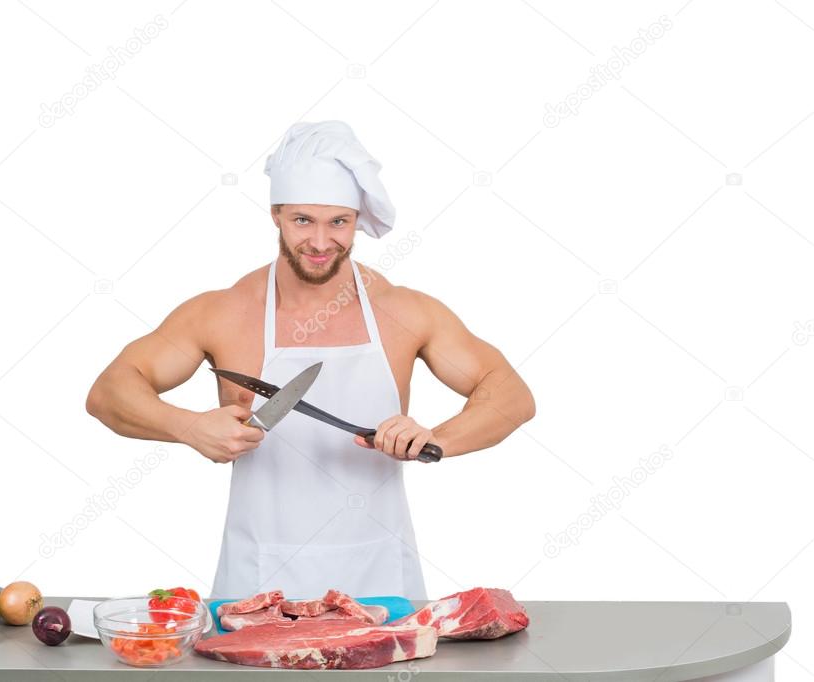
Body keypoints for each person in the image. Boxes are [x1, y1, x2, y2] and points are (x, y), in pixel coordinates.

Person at [86, 120, 536, 600]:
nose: (321, 243)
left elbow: (511, 395)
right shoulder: (219, 313)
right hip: (257, 583)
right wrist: (188, 426)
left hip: (380, 579)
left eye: (338, 222)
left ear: (356, 221)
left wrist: (437, 438)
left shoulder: (404, 312)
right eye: (303, 220)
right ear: (276, 214)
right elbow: (109, 392)